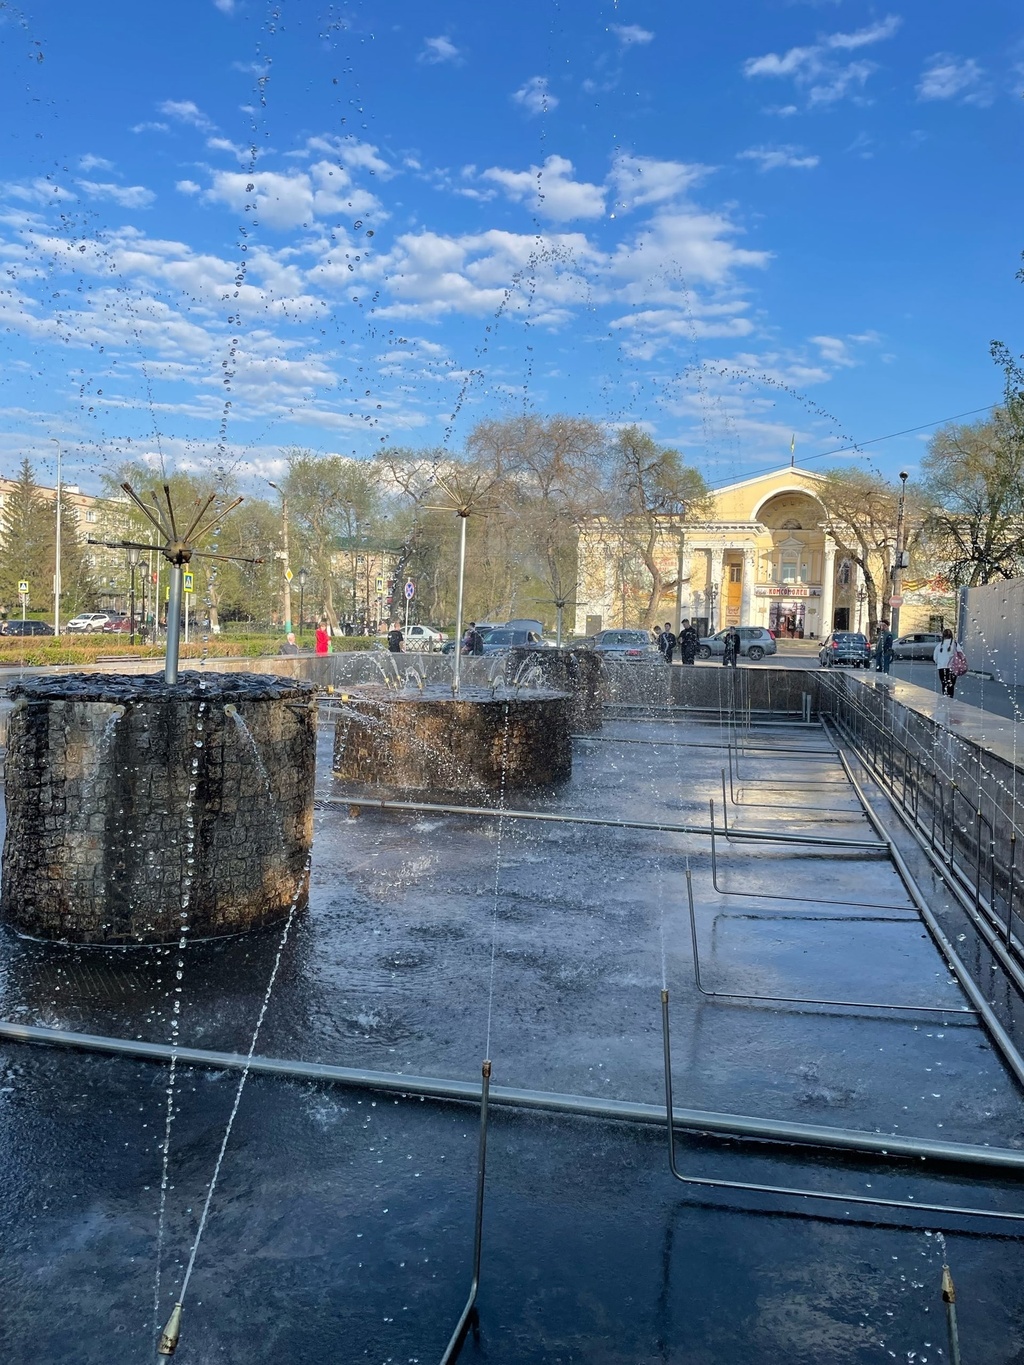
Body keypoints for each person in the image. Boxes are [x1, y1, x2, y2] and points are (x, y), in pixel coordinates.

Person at [933, 628, 961, 697]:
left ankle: (945, 698)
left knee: (944, 684)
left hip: (941, 668)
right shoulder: (955, 645)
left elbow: (935, 658)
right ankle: (950, 698)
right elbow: (961, 655)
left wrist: (940, 662)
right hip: (952, 668)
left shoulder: (939, 646)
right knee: (951, 685)